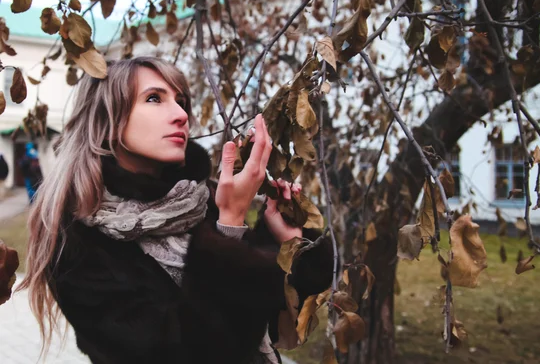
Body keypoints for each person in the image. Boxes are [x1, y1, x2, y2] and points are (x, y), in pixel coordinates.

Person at [18, 57, 333, 364]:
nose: (181, 114)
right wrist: (229, 225)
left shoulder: (197, 201)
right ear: (108, 122)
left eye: (181, 100)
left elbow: (269, 316)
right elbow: (184, 352)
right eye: (154, 98)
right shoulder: (76, 240)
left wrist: (288, 245)